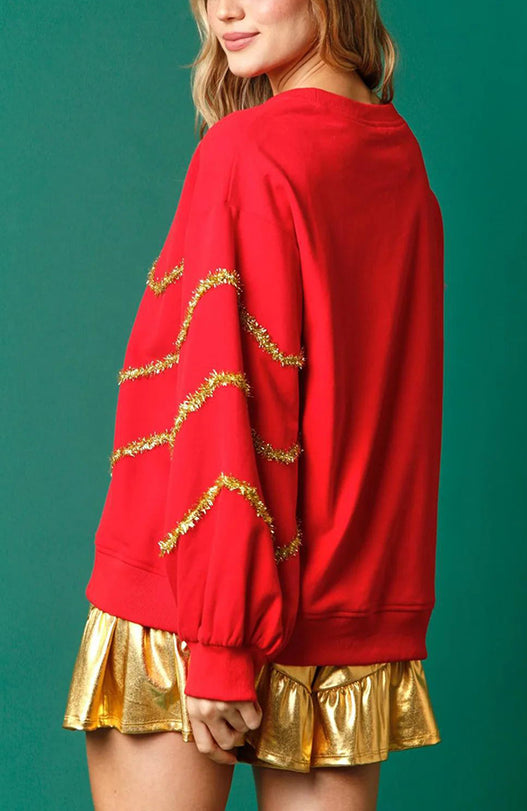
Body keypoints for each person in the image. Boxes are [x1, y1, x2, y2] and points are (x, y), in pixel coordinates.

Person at [62, 0, 445, 808]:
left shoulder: (245, 152)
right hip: (342, 627)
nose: (224, 10)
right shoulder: (400, 156)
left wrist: (220, 639)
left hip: (190, 604)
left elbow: (226, 392)